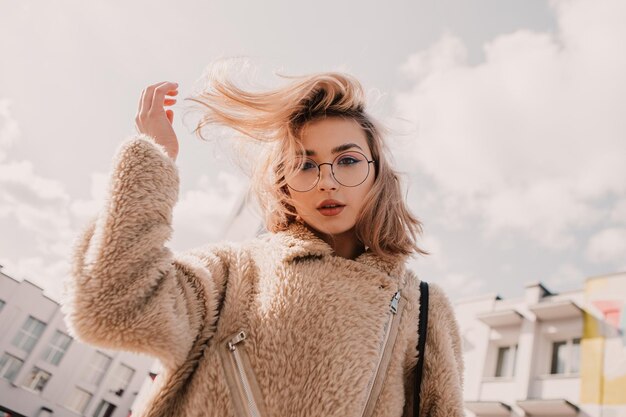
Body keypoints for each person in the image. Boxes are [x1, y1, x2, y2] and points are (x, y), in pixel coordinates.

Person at [61, 65, 465, 417]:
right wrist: (155, 158)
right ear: (284, 183)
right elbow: (107, 307)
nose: (327, 180)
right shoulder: (232, 272)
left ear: (379, 175)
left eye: (348, 160)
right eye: (304, 164)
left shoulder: (423, 308)